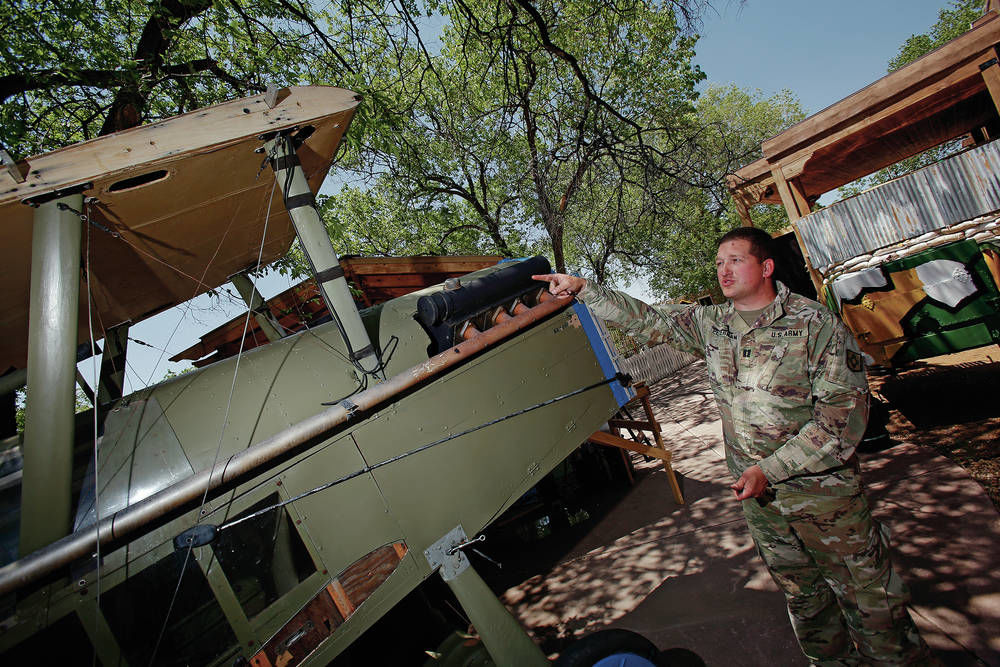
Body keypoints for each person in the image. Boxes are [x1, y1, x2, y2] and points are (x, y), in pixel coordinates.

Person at [533, 227, 933, 666]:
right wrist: (587, 290)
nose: (724, 270)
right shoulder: (712, 324)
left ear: (765, 267)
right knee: (805, 600)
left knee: (871, 602)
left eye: (735, 260)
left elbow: (841, 423)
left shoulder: (815, 324)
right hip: (761, 503)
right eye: (719, 262)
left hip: (824, 498)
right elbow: (651, 320)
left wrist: (770, 470)